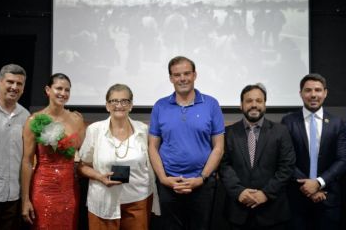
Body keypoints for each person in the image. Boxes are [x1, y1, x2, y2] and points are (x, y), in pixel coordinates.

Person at [148, 56, 224, 230]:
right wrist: (163, 179)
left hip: (202, 184)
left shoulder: (211, 104)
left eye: (186, 73)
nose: (182, 78)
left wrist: (201, 178)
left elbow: (218, 148)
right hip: (169, 184)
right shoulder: (160, 106)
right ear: (171, 78)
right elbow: (152, 146)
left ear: (195, 75)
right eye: (177, 75)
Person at [78, 84, 159, 230]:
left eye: (124, 101)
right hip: (103, 200)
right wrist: (100, 177)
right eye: (114, 101)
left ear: (131, 105)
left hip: (138, 200)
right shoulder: (95, 130)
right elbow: (82, 166)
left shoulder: (143, 129)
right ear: (107, 105)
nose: (119, 105)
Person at [219, 84, 295, 230]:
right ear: (241, 105)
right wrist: (239, 192)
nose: (254, 105)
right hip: (237, 211)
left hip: (272, 211)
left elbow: (287, 166)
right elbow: (224, 166)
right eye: (249, 101)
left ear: (265, 105)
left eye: (259, 101)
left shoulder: (281, 131)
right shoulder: (228, 133)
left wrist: (266, 193)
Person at [281, 74, 346, 230]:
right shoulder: (288, 122)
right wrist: (308, 187)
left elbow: (343, 159)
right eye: (308, 90)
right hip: (297, 200)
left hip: (328, 198)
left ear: (325, 93)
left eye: (318, 90)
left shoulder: (337, 123)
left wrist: (318, 183)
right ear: (300, 94)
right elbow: (286, 159)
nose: (313, 95)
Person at [21, 73, 85, 229]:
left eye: (67, 90)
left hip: (70, 190)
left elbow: (83, 154)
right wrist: (25, 200)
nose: (63, 93)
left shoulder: (77, 119)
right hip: (43, 189)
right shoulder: (34, 120)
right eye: (59, 88)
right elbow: (27, 161)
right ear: (48, 90)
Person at [0, 64, 30, 230]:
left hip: (13, 196)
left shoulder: (26, 116)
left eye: (19, 84)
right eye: (10, 82)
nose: (14, 87)